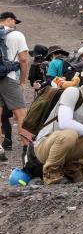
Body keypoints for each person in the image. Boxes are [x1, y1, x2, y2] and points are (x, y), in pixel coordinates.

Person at [1, 11, 30, 156]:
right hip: (9, 78)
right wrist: (23, 81)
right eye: (14, 22)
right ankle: (27, 151)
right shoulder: (17, 35)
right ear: (8, 20)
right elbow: (24, 59)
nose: (15, 25)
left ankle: (0, 150)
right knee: (21, 115)